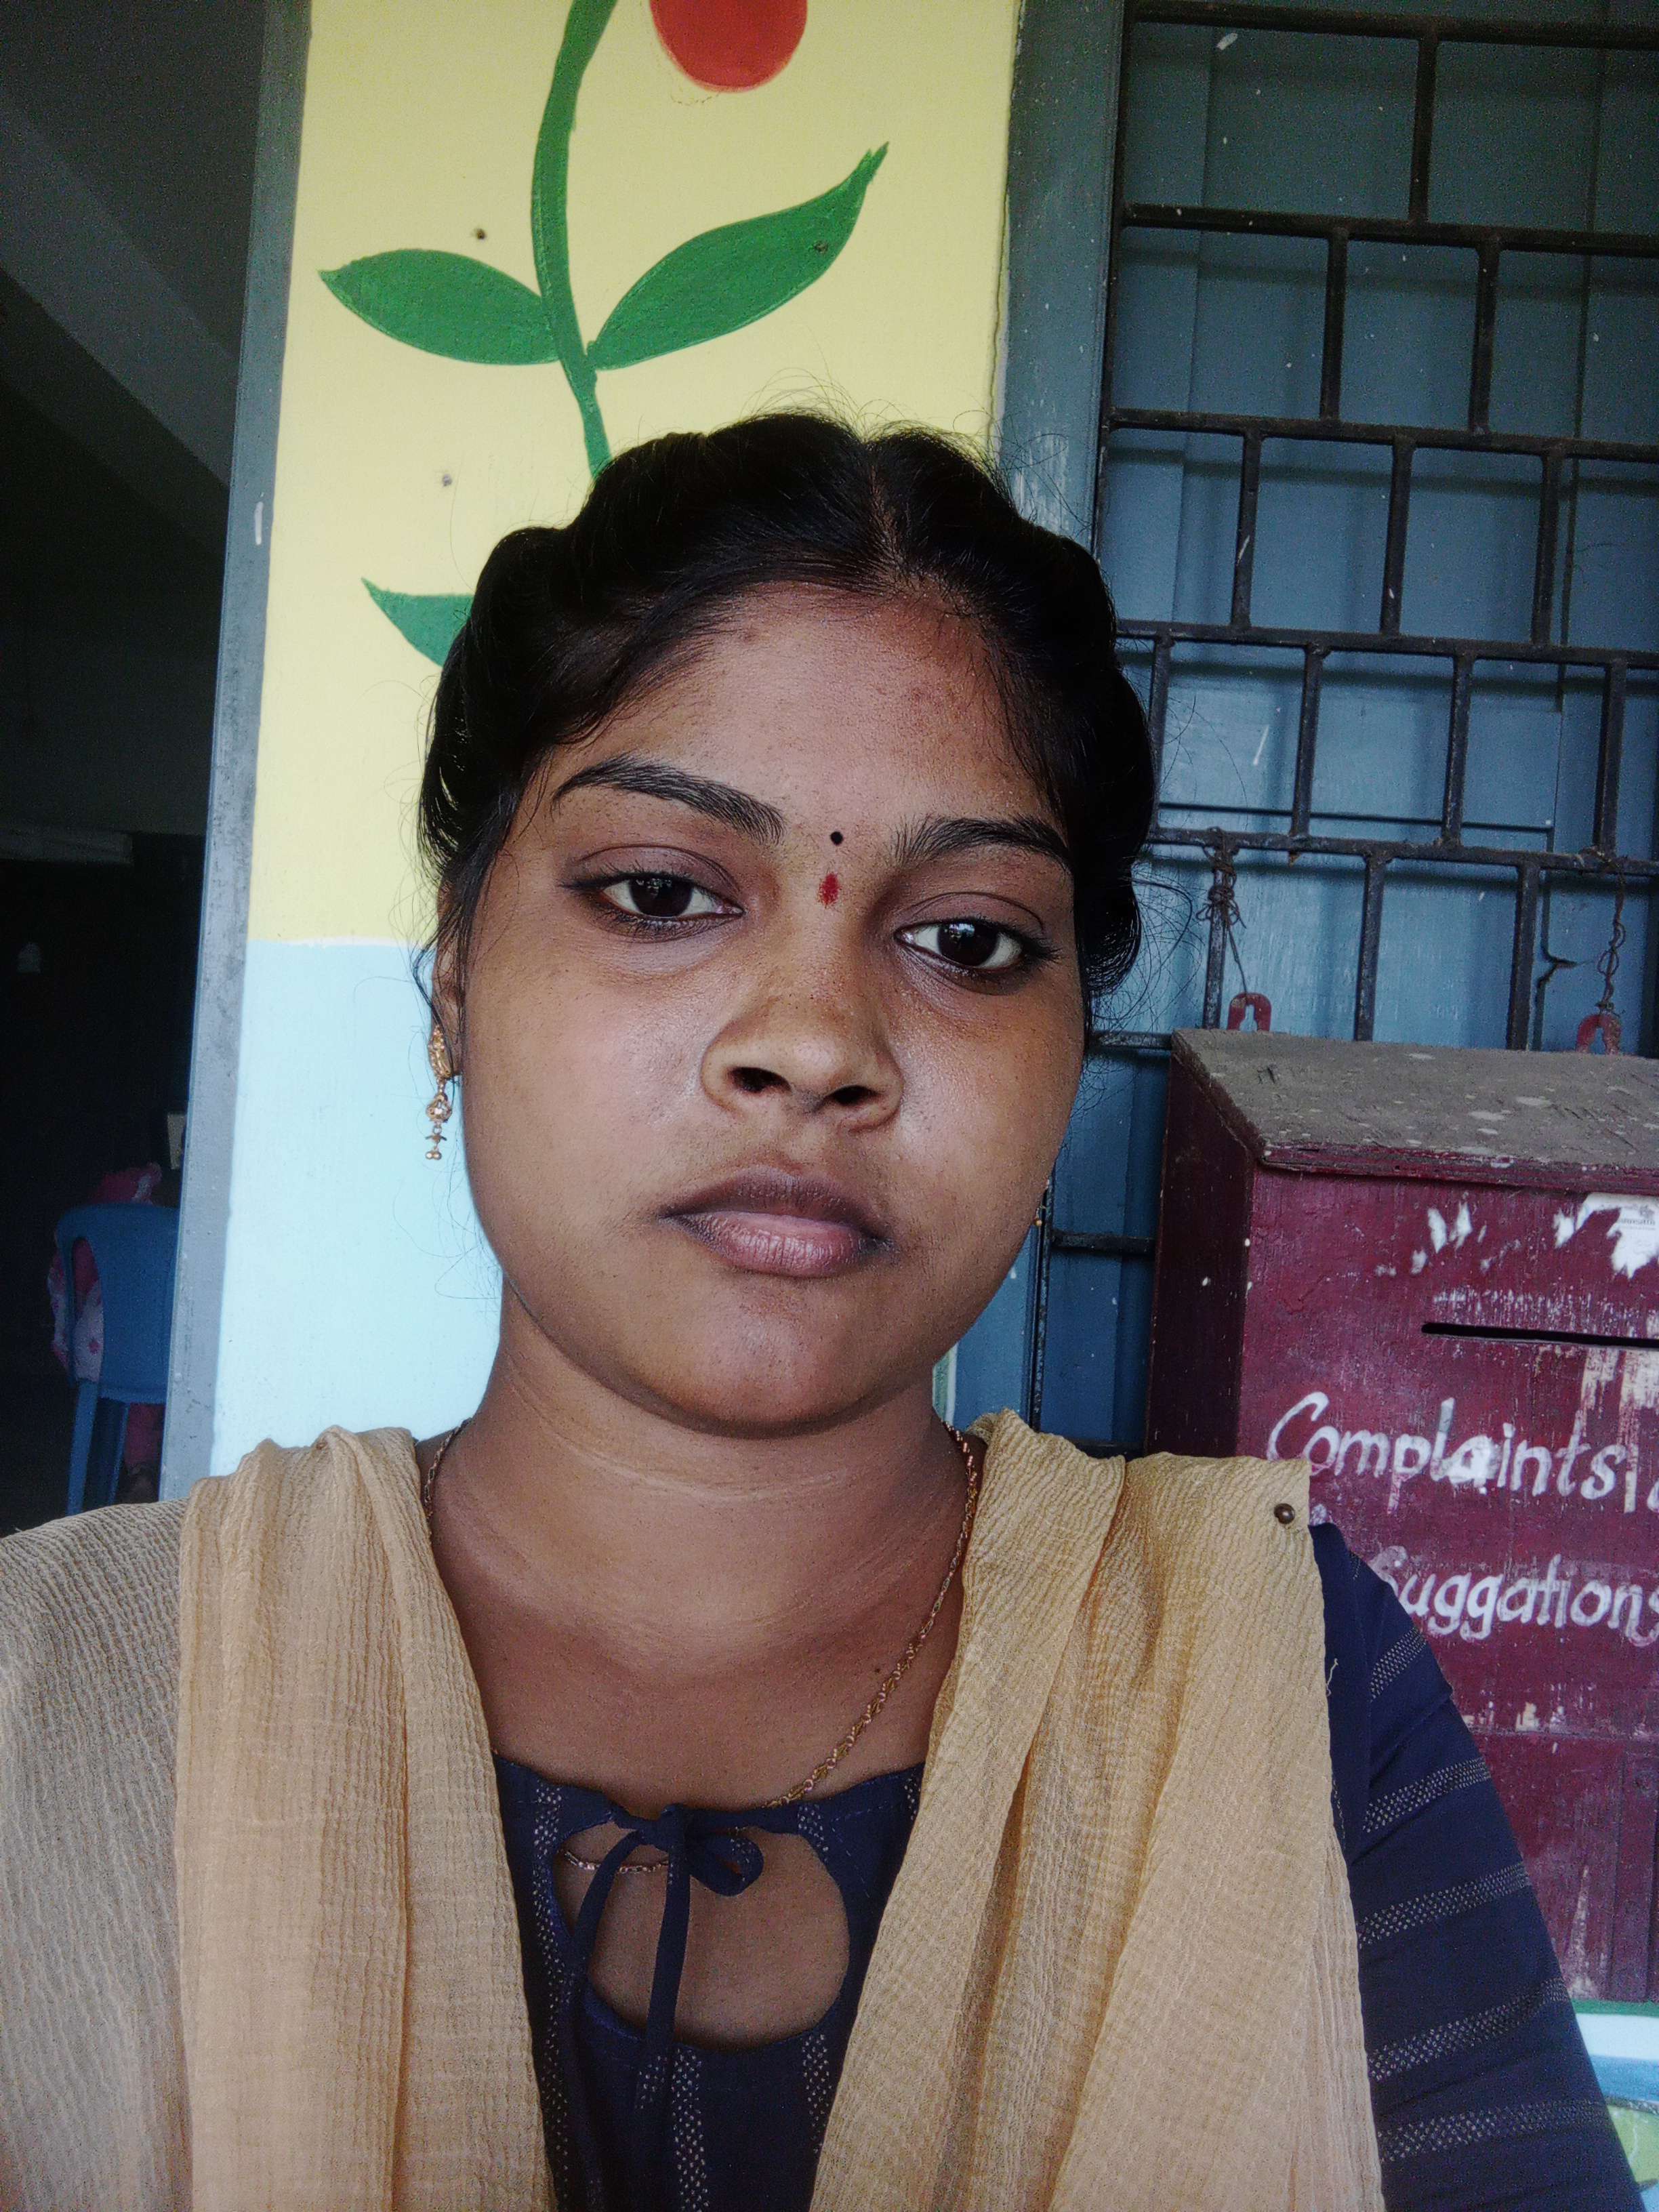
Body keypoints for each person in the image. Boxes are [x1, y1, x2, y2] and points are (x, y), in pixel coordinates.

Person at [0, 415, 1638, 2212]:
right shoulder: (56, 1699)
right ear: (454, 976)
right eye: (660, 893)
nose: (814, 1044)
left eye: (969, 941)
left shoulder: (1272, 1687)